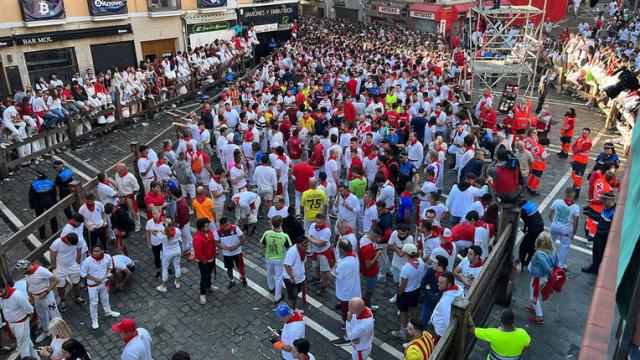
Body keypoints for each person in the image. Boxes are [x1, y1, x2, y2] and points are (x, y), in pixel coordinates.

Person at [15, 259, 61, 343]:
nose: (21, 273)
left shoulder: (41, 271)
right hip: (36, 297)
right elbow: (29, 282)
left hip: (46, 297)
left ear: (26, 267)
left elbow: (56, 280)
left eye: (21, 271)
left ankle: (61, 333)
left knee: (54, 315)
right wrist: (29, 291)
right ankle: (47, 331)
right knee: (42, 315)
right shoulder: (26, 272)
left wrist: (46, 292)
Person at [80, 244, 120, 329]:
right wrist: (94, 279)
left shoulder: (107, 257)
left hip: (103, 282)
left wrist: (106, 275)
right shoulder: (87, 261)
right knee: (94, 302)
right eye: (94, 251)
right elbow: (83, 274)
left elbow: (109, 267)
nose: (95, 253)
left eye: (97, 251)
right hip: (92, 285)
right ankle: (94, 319)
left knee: (105, 297)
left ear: (102, 251)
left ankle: (108, 311)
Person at [392, 244, 426, 341]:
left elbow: (402, 285)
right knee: (414, 308)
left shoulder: (406, 268)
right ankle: (415, 329)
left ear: (407, 254)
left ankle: (403, 333)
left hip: (406, 293)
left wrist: (399, 293)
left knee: (403, 312)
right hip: (416, 290)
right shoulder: (421, 262)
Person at [0, 279, 40, 359]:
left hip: (21, 324)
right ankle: (36, 357)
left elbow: (30, 309)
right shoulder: (1, 295)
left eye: (0, 291)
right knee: (26, 341)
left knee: (22, 346)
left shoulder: (17, 295)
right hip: (11, 324)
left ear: (5, 287)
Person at [525, 232, 557, 324]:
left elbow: (545, 266)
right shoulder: (553, 251)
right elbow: (556, 264)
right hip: (545, 277)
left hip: (538, 278)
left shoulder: (539, 254)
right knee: (536, 293)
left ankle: (539, 316)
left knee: (533, 296)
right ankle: (533, 307)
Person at [49, 232, 87, 313]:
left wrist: (77, 263)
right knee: (60, 286)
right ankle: (62, 300)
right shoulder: (57, 243)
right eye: (70, 244)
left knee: (76, 282)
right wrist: (54, 268)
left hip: (73, 265)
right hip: (59, 268)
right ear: (66, 239)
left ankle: (78, 297)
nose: (72, 246)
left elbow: (79, 251)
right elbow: (52, 255)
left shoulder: (79, 241)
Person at [260, 216, 292, 304]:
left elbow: (261, 245)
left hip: (269, 257)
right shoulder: (284, 236)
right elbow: (289, 248)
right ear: (281, 224)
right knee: (278, 277)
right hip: (279, 259)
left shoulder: (267, 233)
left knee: (269, 273)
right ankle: (277, 297)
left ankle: (271, 287)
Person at [582, 192, 616, 274]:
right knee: (595, 252)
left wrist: (600, 233)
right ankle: (594, 268)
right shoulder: (605, 208)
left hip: (603, 238)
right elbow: (600, 218)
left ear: (609, 200)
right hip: (599, 235)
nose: (602, 202)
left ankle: (598, 270)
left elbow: (612, 229)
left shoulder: (614, 213)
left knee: (600, 254)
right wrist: (590, 215)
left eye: (604, 200)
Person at [549, 187, 580, 269]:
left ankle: (548, 260)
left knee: (550, 244)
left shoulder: (557, 202)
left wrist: (553, 222)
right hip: (566, 230)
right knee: (564, 247)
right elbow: (575, 221)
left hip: (554, 227)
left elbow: (550, 214)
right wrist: (574, 232)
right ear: (574, 195)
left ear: (566, 194)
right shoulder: (576, 207)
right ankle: (561, 265)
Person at [430, 271, 463, 342]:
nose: (438, 284)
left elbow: (447, 322)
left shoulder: (446, 301)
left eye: (441, 283)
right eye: (438, 281)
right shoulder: (458, 288)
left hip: (440, 332)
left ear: (449, 284)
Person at [334, 238, 361, 322]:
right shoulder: (354, 255)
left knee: (345, 308)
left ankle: (345, 321)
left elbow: (336, 274)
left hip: (346, 289)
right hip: (353, 286)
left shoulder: (344, 263)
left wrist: (333, 269)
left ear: (342, 250)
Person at [217, 217, 248, 289]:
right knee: (229, 269)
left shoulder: (235, 228)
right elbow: (216, 243)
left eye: (228, 224)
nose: (227, 227)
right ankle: (232, 280)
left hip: (237, 252)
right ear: (221, 226)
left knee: (240, 267)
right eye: (225, 226)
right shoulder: (218, 231)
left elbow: (243, 238)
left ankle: (243, 279)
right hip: (227, 254)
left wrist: (236, 246)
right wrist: (226, 248)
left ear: (229, 223)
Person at [307, 214, 334, 296]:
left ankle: (325, 285)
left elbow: (320, 243)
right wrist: (314, 240)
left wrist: (311, 239)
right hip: (315, 251)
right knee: (316, 267)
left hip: (324, 253)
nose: (317, 224)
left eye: (320, 223)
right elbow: (310, 235)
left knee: (325, 271)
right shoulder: (312, 225)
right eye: (316, 222)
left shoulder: (326, 230)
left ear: (324, 221)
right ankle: (317, 278)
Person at [193, 217, 218, 304]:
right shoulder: (197, 238)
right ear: (201, 228)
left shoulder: (210, 232)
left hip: (211, 258)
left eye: (208, 226)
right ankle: (202, 294)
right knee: (204, 276)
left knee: (209, 274)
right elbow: (198, 251)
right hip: (204, 261)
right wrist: (204, 260)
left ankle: (209, 286)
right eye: (206, 226)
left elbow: (213, 243)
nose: (208, 228)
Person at [29, 170, 58, 240]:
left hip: (39, 204)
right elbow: (54, 193)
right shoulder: (50, 182)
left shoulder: (34, 184)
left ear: (37, 176)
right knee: (52, 217)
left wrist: (32, 205)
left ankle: (42, 235)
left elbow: (31, 196)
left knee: (40, 219)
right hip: (50, 202)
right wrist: (54, 202)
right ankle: (55, 232)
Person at [420, 255, 447, 326]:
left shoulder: (446, 279)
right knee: (423, 323)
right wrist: (430, 294)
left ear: (440, 267)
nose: (432, 264)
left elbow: (436, 300)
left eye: (434, 263)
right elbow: (422, 283)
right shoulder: (430, 270)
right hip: (427, 304)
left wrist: (428, 289)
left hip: (438, 309)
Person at [157, 220, 182, 293]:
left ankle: (164, 286)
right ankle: (177, 282)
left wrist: (160, 231)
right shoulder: (177, 230)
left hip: (167, 254)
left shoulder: (162, 235)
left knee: (165, 269)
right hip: (177, 251)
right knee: (177, 266)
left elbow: (154, 233)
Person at [283, 237, 309, 310]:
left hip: (300, 278)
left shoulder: (303, 250)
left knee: (296, 294)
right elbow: (286, 265)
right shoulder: (292, 252)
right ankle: (292, 313)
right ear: (299, 245)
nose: (306, 248)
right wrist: (291, 277)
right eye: (304, 246)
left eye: (307, 246)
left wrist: (304, 274)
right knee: (292, 298)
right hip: (292, 280)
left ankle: (293, 310)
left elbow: (303, 262)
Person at [570, 127, 592, 199]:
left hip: (582, 163)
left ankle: (576, 194)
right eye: (583, 132)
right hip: (576, 161)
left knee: (578, 179)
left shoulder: (588, 142)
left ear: (588, 134)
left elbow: (580, 149)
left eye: (585, 133)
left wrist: (575, 150)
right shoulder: (580, 138)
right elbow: (574, 146)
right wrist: (574, 151)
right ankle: (574, 188)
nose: (584, 134)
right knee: (573, 175)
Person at [145, 206, 167, 279]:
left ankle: (168, 268)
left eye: (156, 214)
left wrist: (159, 232)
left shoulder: (164, 221)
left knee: (166, 256)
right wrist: (148, 243)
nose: (154, 215)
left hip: (164, 242)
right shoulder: (149, 222)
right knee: (156, 257)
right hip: (154, 243)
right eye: (153, 214)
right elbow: (147, 233)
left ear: (160, 213)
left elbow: (168, 232)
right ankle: (158, 270)